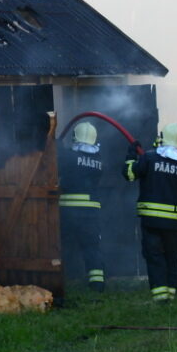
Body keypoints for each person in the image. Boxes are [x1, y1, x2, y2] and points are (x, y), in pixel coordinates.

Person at [126, 121, 177, 302]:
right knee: (173, 257)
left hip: (151, 221)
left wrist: (131, 156)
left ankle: (160, 296)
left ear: (162, 138)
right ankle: (172, 293)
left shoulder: (149, 158)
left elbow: (130, 174)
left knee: (155, 256)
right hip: (174, 223)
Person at [57, 119, 110, 295]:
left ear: (75, 137)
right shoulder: (98, 160)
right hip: (91, 212)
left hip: (68, 210)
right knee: (92, 247)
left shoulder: (68, 156)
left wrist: (56, 147)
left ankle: (60, 281)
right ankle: (97, 284)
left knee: (62, 246)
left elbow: (56, 164)